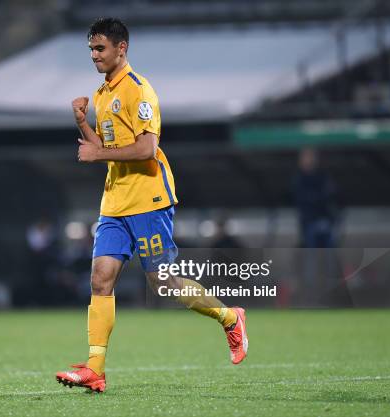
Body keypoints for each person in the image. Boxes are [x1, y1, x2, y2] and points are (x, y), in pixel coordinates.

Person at [55, 18, 248, 393]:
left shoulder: (139, 91)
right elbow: (105, 149)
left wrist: (96, 153)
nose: (94, 55)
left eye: (100, 49)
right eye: (91, 49)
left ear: (121, 48)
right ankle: (95, 369)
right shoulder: (101, 93)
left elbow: (146, 148)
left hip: (148, 199)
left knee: (164, 283)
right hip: (114, 203)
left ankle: (229, 317)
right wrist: (83, 123)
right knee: (100, 278)